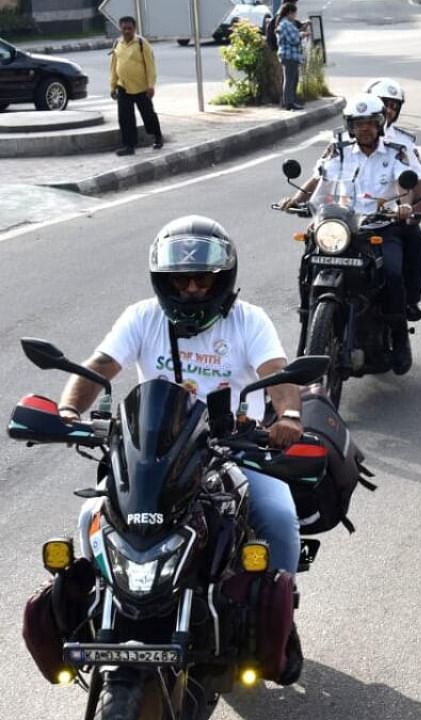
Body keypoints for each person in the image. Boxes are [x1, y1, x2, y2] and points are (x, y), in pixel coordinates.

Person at [56, 215, 306, 683]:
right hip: (153, 453)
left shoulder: (248, 319)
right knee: (92, 515)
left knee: (278, 516)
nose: (191, 288)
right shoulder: (142, 317)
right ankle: (95, 611)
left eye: (202, 278)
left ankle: (282, 619)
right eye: (180, 279)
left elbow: (280, 373)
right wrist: (68, 412)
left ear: (222, 278)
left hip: (230, 447)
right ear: (162, 281)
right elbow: (99, 367)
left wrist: (288, 417)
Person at [280, 94, 421, 374]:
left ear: (380, 124)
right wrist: (298, 201)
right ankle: (308, 327)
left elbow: (407, 185)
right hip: (340, 226)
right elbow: (322, 184)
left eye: (369, 123)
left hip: (379, 226)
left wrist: (404, 206)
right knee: (308, 264)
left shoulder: (395, 153)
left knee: (392, 273)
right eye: (358, 124)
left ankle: (400, 336)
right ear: (350, 126)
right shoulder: (338, 152)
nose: (364, 129)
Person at [364, 78, 421, 322]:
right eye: (385, 104)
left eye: (395, 106)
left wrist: (414, 209)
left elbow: (418, 182)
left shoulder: (402, 143)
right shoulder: (342, 140)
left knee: (414, 243)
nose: (390, 110)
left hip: (389, 217)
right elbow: (324, 176)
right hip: (348, 218)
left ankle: (407, 307)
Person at [107, 16, 162, 156]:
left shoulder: (142, 44)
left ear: (134, 28)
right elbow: (114, 66)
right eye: (124, 28)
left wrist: (151, 85)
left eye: (129, 28)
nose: (126, 31)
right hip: (123, 87)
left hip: (141, 87)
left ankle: (157, 136)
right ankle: (128, 146)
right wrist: (113, 86)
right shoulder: (117, 44)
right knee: (125, 118)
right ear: (120, 28)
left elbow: (150, 66)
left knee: (148, 115)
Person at [276, 3, 305, 111]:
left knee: (294, 79)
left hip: (292, 56)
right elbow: (294, 39)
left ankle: (291, 101)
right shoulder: (285, 24)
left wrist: (300, 34)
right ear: (289, 13)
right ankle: (288, 103)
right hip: (289, 55)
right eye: (294, 13)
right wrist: (301, 35)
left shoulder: (287, 23)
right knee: (290, 80)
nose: (295, 16)